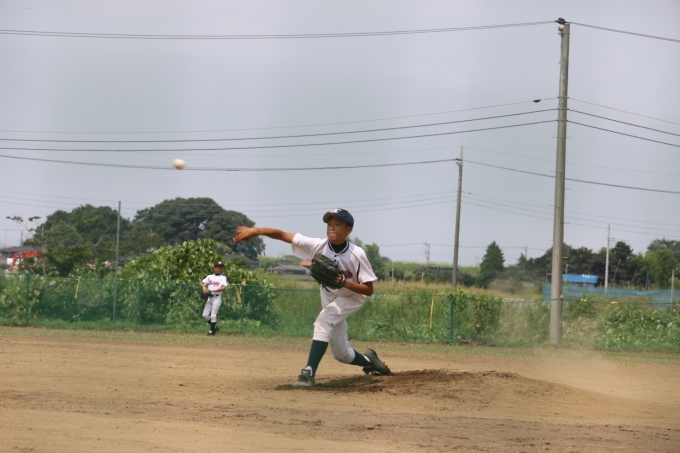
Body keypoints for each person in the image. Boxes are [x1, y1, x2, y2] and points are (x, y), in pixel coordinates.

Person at [233, 208, 391, 387]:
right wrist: (255, 231)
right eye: (329, 224)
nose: (331, 227)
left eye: (337, 224)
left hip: (352, 296)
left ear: (348, 230)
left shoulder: (357, 254)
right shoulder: (318, 246)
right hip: (328, 295)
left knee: (323, 321)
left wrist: (344, 283)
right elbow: (284, 235)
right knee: (340, 354)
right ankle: (370, 361)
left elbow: (368, 290)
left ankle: (308, 372)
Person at [200, 261, 228, 336]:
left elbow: (224, 287)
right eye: (218, 267)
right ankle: (214, 327)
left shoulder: (223, 278)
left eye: (221, 268)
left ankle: (211, 331)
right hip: (209, 298)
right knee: (205, 315)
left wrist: (213, 290)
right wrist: (203, 287)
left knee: (213, 315)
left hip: (217, 298)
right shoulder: (209, 277)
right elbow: (201, 283)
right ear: (215, 268)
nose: (220, 269)